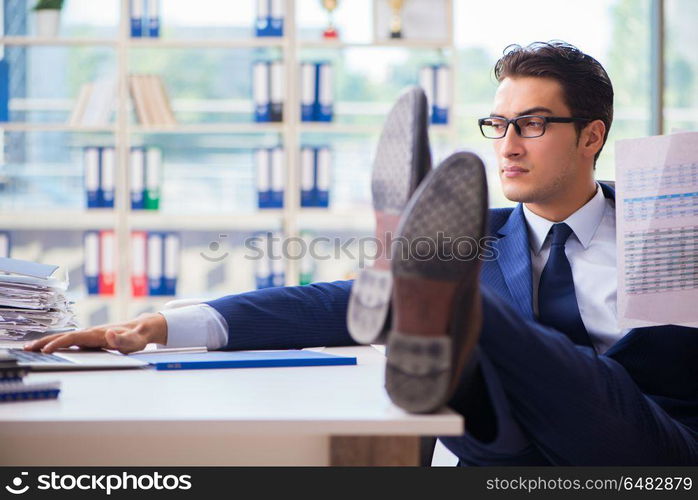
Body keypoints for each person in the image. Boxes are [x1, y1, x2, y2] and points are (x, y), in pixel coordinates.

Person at [27, 42, 697, 466]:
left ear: (592, 136)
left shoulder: (672, 228)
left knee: (464, 314)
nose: (508, 145)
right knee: (438, 338)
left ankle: (444, 311)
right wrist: (157, 325)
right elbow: (332, 302)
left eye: (532, 124)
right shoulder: (474, 234)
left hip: (642, 438)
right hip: (505, 446)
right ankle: (439, 319)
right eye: (497, 125)